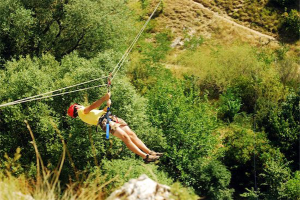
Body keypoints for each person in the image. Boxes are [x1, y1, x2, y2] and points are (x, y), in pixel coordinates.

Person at [67, 92, 163, 163]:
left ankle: (150, 153)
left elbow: (102, 111)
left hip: (109, 118)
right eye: (78, 105)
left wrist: (107, 105)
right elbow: (92, 106)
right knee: (126, 137)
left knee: (131, 135)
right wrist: (104, 98)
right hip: (106, 122)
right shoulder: (81, 111)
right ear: (76, 107)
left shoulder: (86, 115)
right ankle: (145, 156)